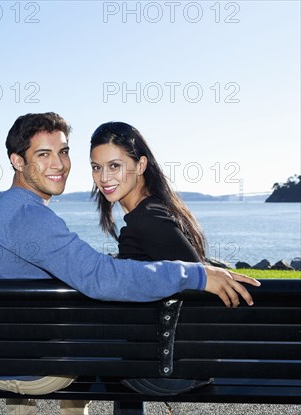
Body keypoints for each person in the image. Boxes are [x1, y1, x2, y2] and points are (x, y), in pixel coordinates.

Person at [0, 112, 259, 415]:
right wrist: (195, 274)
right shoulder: (29, 216)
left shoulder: (4, 208)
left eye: (64, 152)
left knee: (104, 332)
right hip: (29, 367)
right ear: (18, 161)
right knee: (103, 335)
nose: (58, 164)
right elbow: (99, 278)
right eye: (44, 154)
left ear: (141, 165)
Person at [89, 121, 213, 411]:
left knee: (97, 356)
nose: (103, 177)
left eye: (115, 166)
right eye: (96, 167)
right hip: (185, 361)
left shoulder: (148, 221)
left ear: (141, 165)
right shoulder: (156, 210)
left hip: (178, 370)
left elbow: (198, 282)